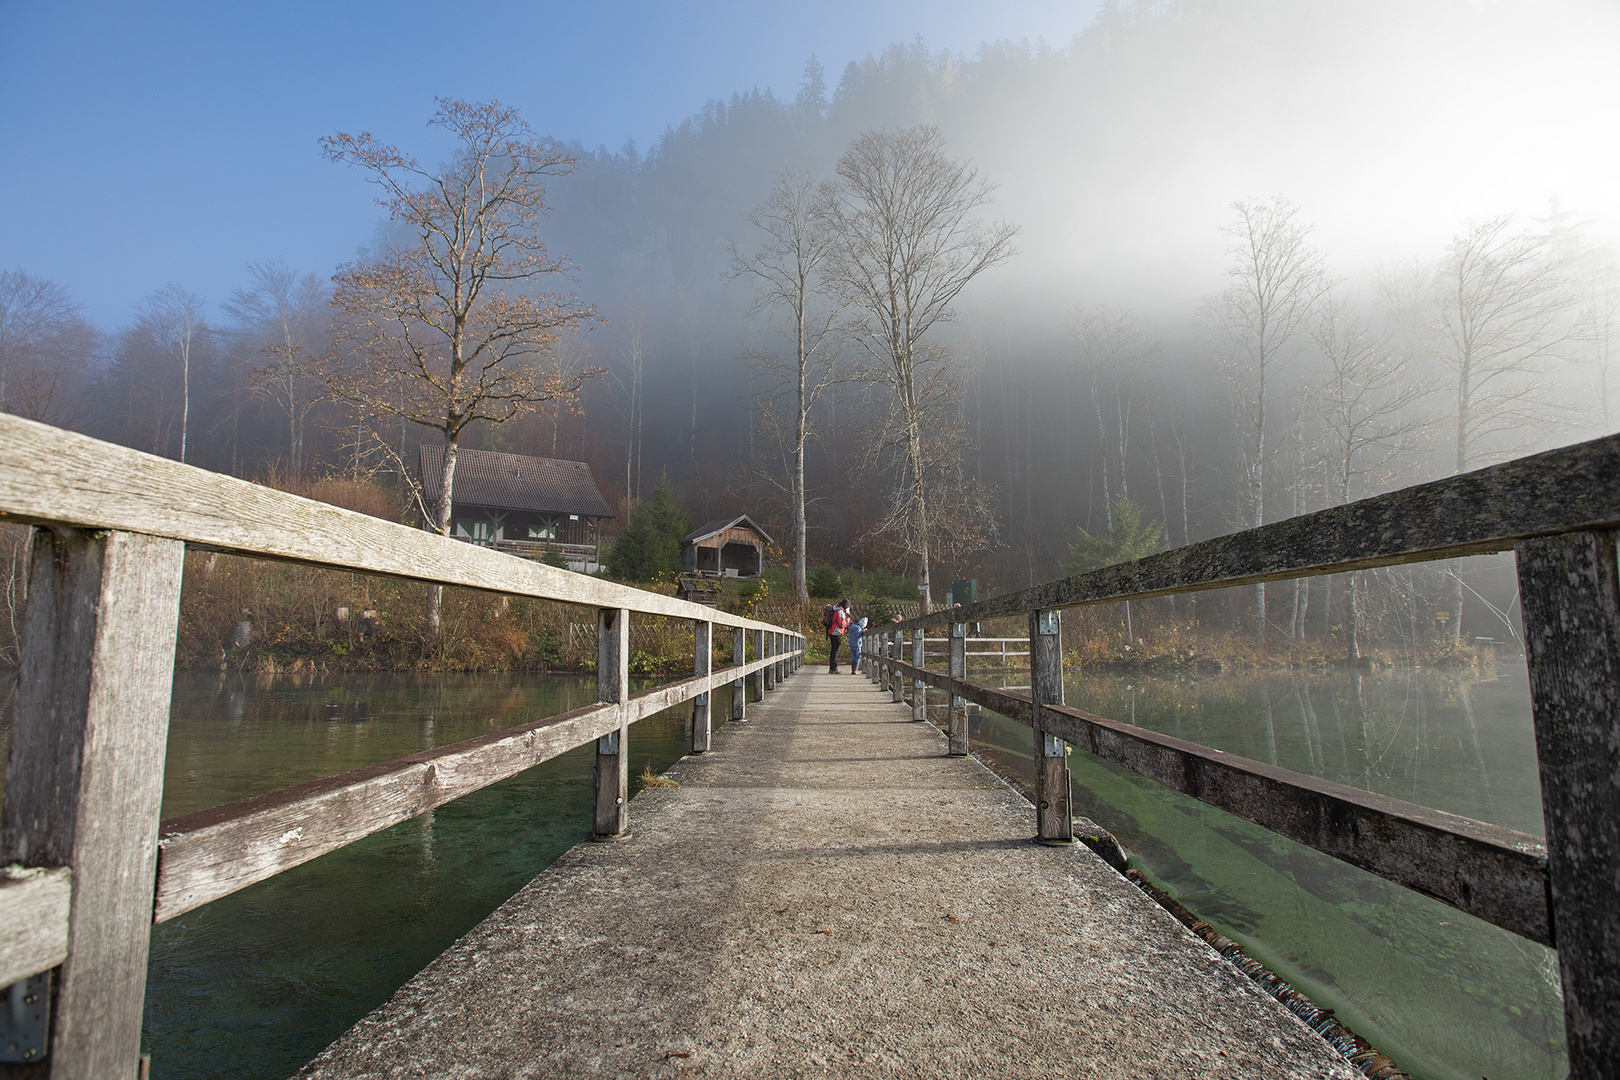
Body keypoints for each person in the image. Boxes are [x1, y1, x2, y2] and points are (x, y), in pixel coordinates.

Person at [826, 598, 851, 673]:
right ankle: (834, 669)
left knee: (833, 650)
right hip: (837, 632)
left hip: (832, 632)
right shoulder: (840, 612)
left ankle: (832, 668)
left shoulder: (835, 609)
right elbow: (841, 623)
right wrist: (848, 622)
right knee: (836, 651)